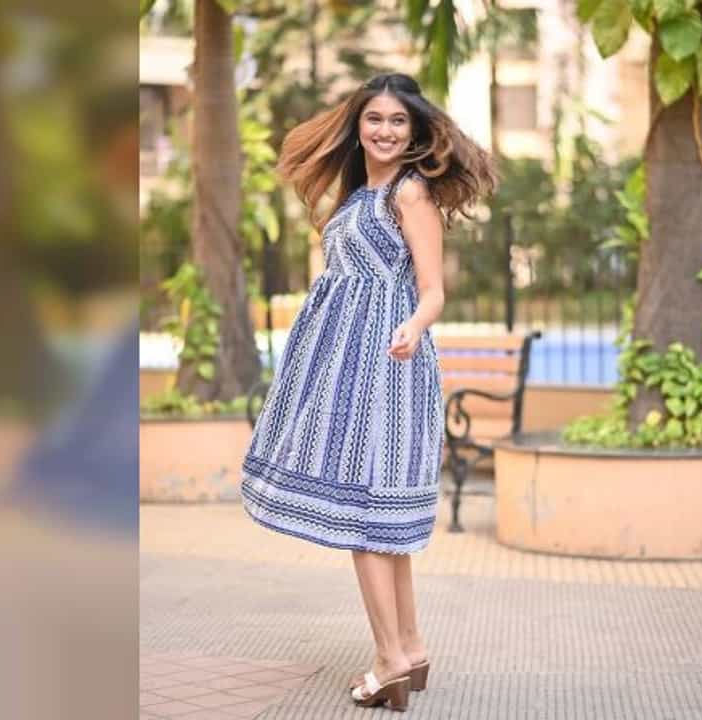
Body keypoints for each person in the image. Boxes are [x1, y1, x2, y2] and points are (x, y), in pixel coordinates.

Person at [239, 72, 497, 711]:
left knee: (364, 512)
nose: (385, 130)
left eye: (398, 121)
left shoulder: (410, 192)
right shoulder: (360, 194)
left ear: (415, 130)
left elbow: (432, 291)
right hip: (343, 361)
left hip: (384, 360)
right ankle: (409, 647)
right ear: (358, 125)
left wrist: (411, 327)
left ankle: (387, 662)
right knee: (380, 523)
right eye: (375, 118)